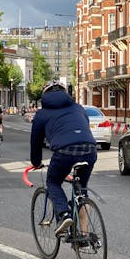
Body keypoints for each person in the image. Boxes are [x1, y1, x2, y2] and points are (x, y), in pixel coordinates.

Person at [30, 80, 96, 235]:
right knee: (82, 190)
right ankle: (84, 235)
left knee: (53, 182)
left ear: (45, 95)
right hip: (90, 148)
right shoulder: (78, 107)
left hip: (64, 151)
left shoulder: (42, 114)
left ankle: (64, 215)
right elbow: (84, 125)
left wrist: (36, 162)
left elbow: (36, 141)